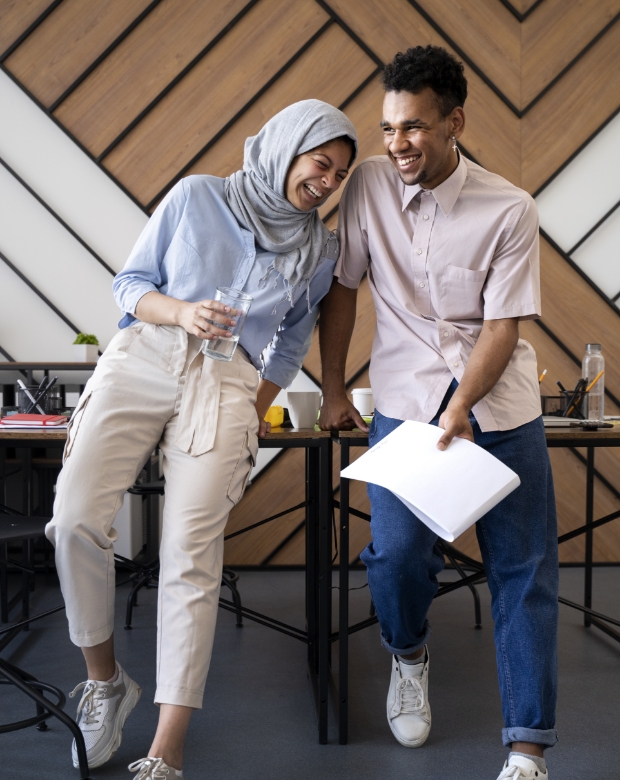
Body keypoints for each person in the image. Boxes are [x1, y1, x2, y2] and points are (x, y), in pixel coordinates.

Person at [46, 99, 357, 780]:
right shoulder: (196, 197)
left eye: (339, 174)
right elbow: (129, 286)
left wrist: (248, 399)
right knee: (73, 519)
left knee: (192, 553)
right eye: (320, 163)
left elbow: (289, 344)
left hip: (226, 384)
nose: (328, 181)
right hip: (149, 352)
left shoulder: (320, 247)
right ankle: (105, 684)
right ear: (286, 148)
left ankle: (168, 744)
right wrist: (183, 312)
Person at [319, 46, 557, 780]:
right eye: (389, 128)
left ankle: (525, 749)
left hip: (502, 410)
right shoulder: (366, 186)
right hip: (404, 406)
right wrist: (332, 388)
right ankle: (408, 653)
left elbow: (501, 328)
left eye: (414, 127)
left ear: (454, 122)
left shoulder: (509, 208)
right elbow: (344, 289)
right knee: (393, 558)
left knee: (524, 572)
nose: (398, 145)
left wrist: (462, 408)